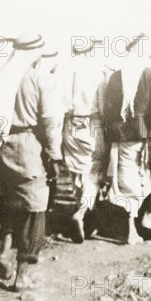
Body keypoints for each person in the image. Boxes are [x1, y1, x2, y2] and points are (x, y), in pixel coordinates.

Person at [0, 34, 64, 292]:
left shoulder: (1, 75)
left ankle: (3, 249)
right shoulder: (38, 78)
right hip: (27, 144)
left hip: (1, 144)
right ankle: (22, 273)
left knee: (9, 200)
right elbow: (49, 121)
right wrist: (55, 155)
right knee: (34, 209)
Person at [104, 34, 151, 244]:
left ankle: (133, 226)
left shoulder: (116, 76)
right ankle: (145, 216)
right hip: (145, 136)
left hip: (121, 136)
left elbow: (108, 109)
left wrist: (111, 136)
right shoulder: (150, 73)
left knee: (126, 181)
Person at [60, 39, 108, 243]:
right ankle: (80, 214)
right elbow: (104, 105)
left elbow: (60, 103)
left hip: (71, 123)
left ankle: (87, 217)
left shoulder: (66, 69)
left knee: (76, 173)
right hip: (91, 123)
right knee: (94, 174)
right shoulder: (98, 71)